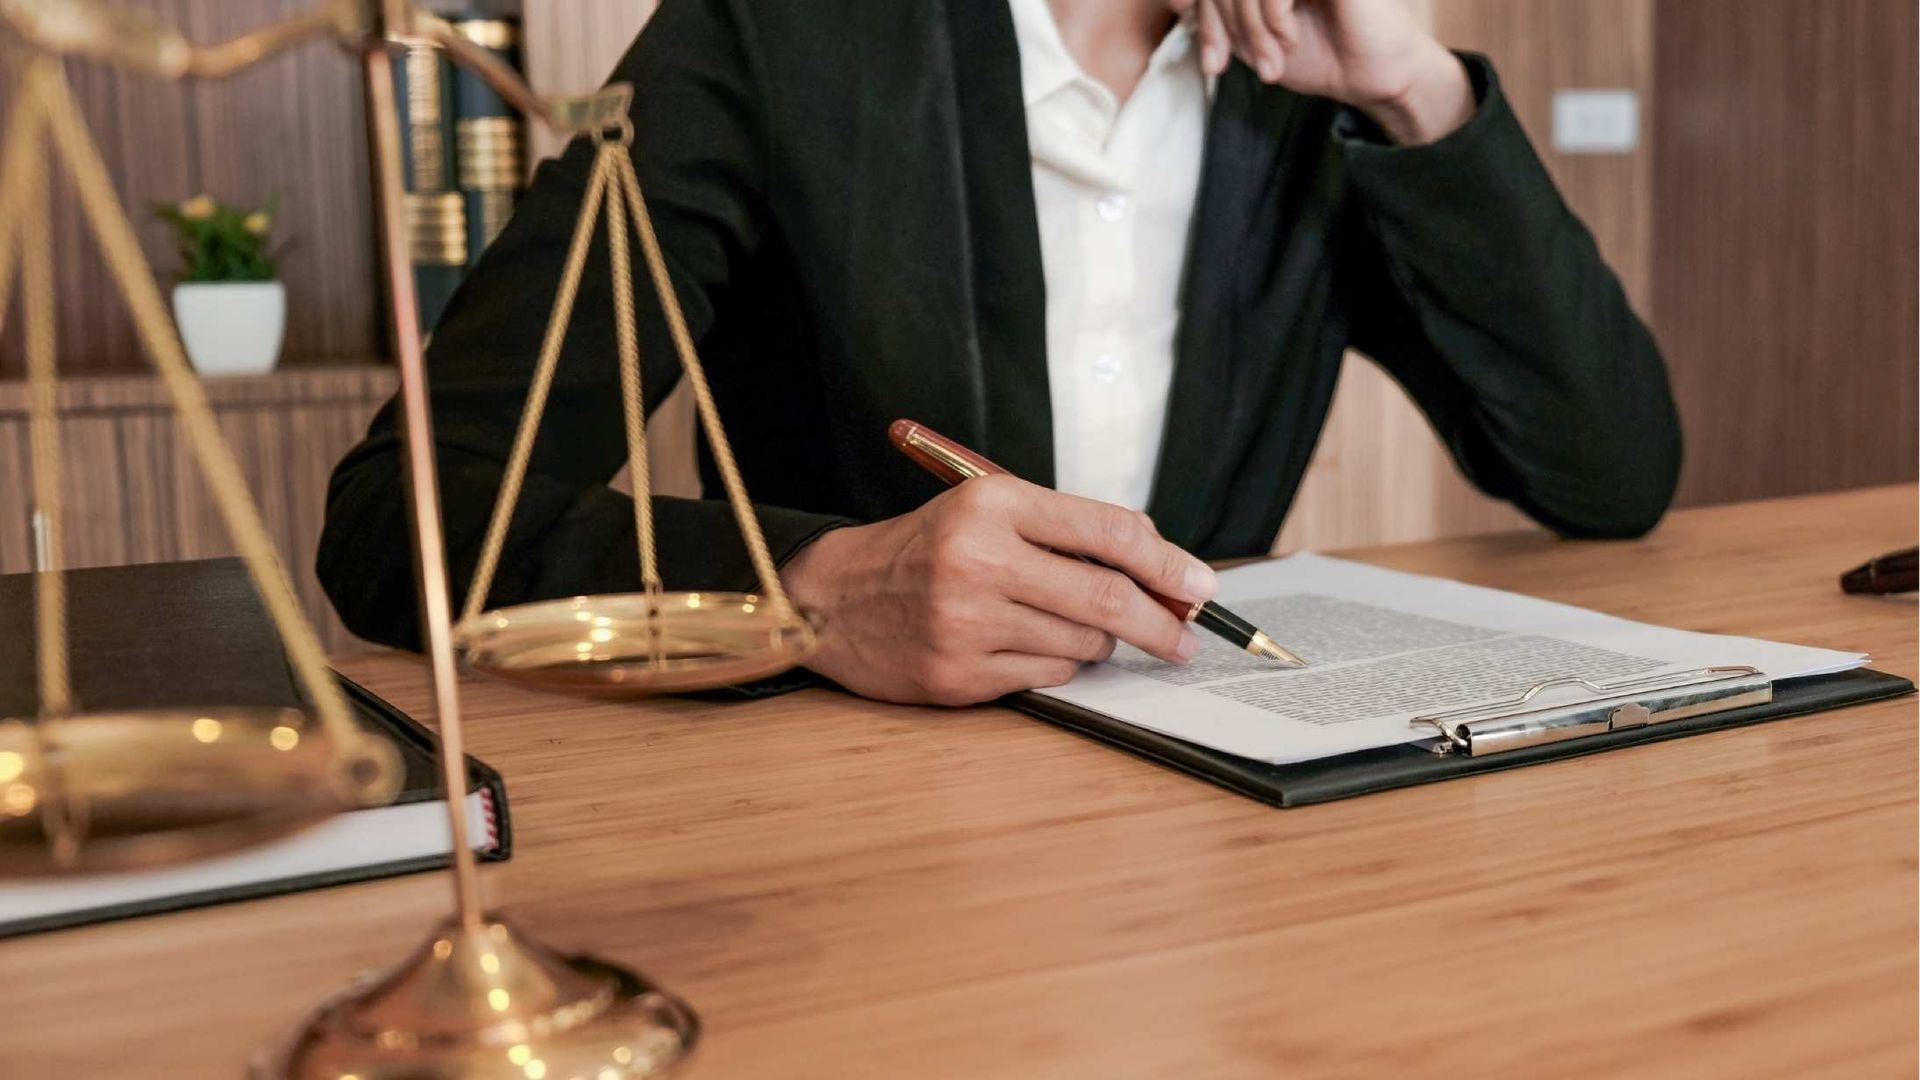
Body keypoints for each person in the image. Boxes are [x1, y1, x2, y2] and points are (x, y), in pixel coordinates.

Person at [318, 0, 1682, 706]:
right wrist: (813, 593)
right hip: (854, 833)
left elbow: (1610, 474)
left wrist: (1415, 87)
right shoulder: (774, 35)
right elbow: (403, 523)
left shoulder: (1308, 94)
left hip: (1230, 830)